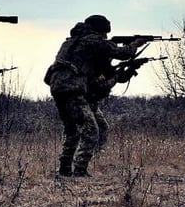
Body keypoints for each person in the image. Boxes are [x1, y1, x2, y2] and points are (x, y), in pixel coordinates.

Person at [44, 15, 146, 177]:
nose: (105, 37)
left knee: (73, 131)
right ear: (99, 31)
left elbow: (102, 69)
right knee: (91, 130)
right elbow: (122, 53)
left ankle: (64, 170)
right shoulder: (91, 41)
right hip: (72, 88)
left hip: (58, 86)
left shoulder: (72, 41)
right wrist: (136, 44)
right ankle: (80, 170)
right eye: (104, 33)